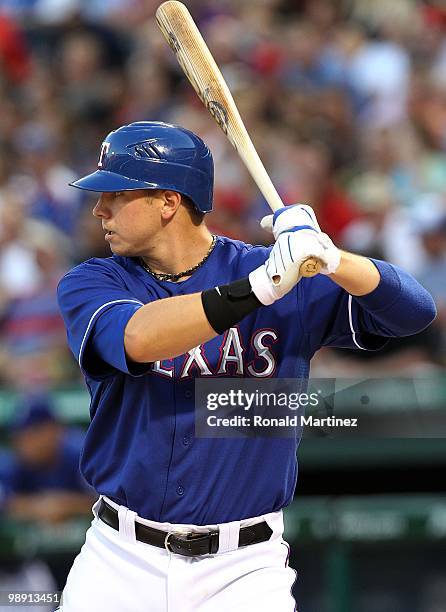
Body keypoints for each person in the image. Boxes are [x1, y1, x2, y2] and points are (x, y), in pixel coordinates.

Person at [56, 121, 436, 612]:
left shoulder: (280, 277)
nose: (98, 208)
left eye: (117, 193)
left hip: (245, 568)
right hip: (120, 557)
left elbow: (414, 312)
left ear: (169, 202)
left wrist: (332, 256)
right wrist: (258, 289)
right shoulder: (94, 279)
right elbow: (139, 337)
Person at [4, 394, 95, 524]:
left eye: (33, 434)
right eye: (20, 436)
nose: (25, 443)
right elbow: (8, 501)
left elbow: (107, 502)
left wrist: (66, 505)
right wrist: (37, 506)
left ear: (53, 429)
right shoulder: (19, 460)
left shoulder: (82, 454)